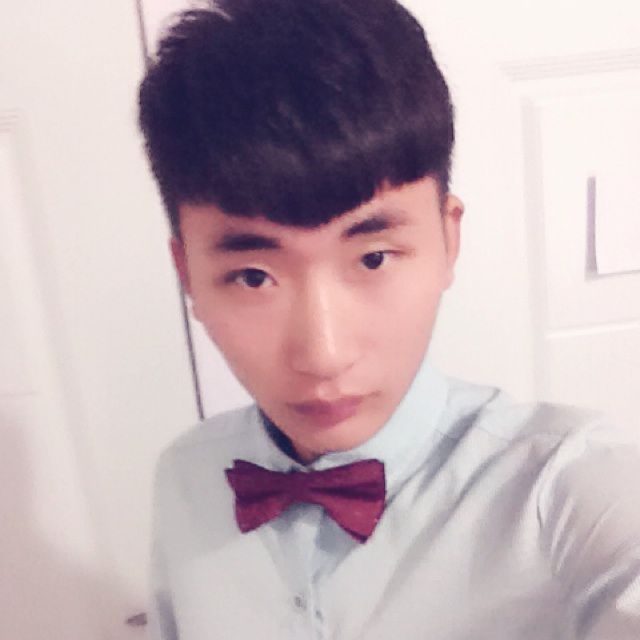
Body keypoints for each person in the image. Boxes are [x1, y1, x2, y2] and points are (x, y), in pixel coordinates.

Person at [137, 1, 640, 638]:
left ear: (448, 240)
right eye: (254, 276)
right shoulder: (184, 479)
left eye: (373, 257)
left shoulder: (560, 486)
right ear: (187, 273)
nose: (322, 353)